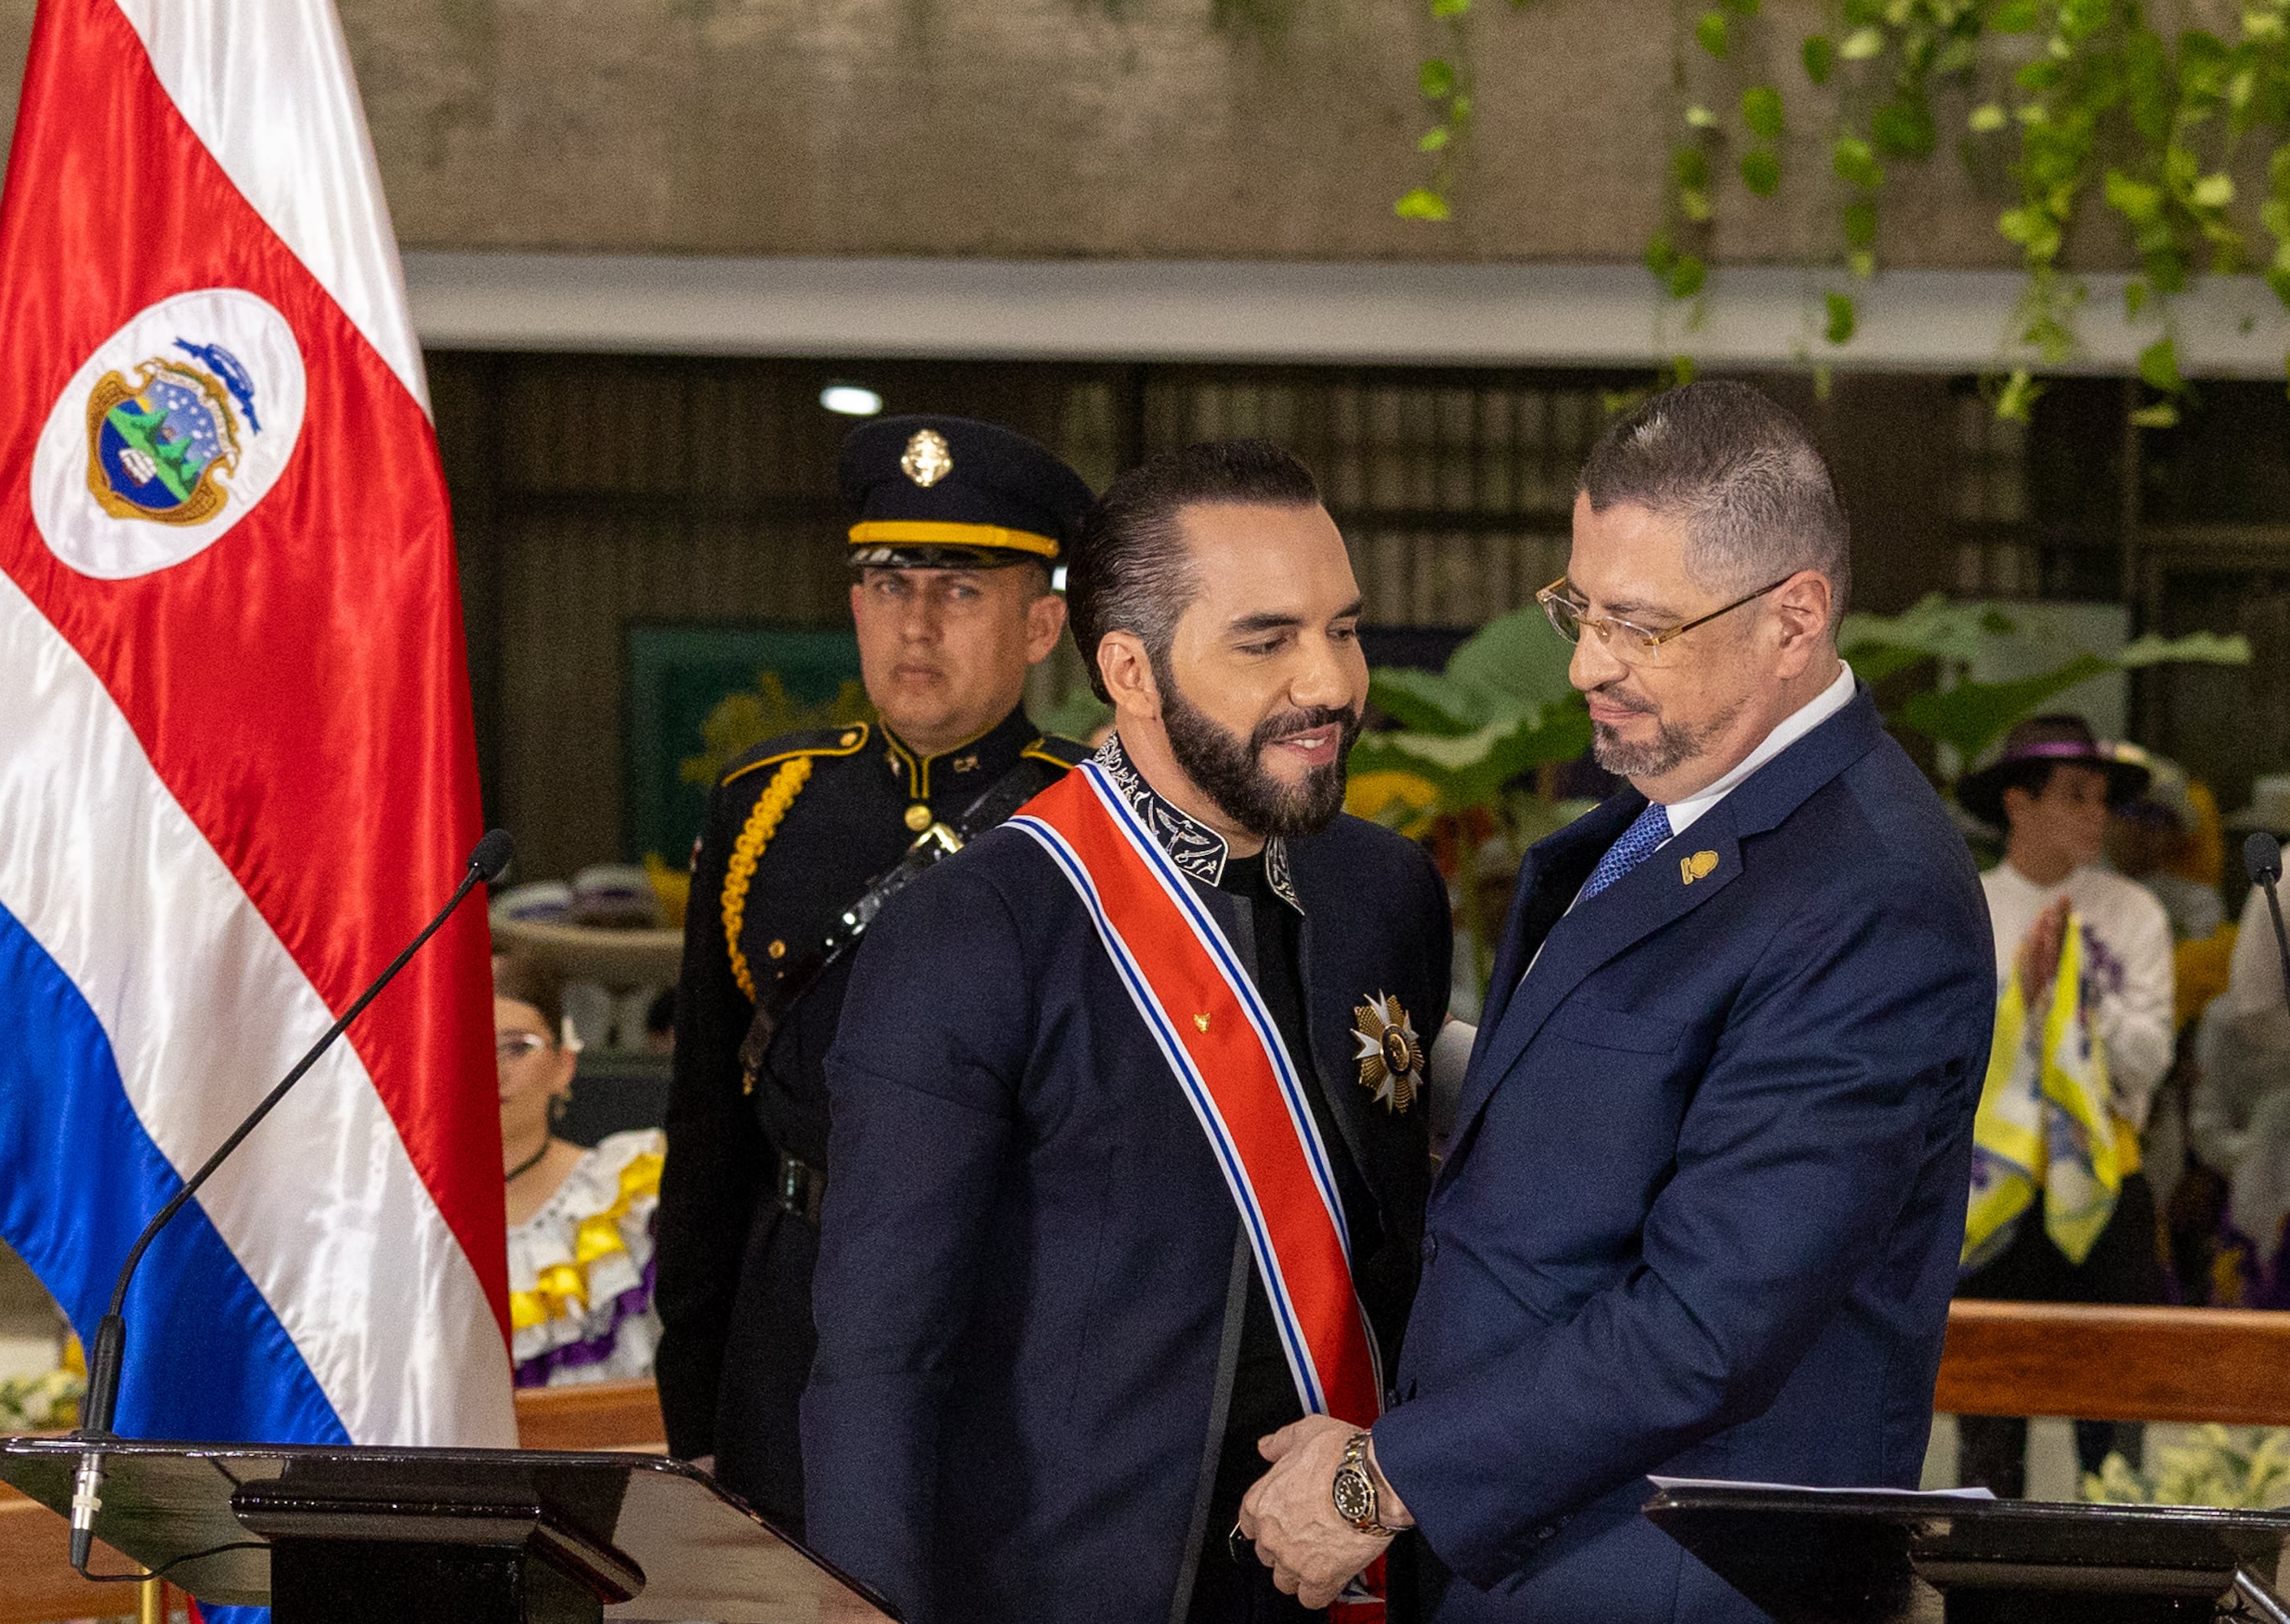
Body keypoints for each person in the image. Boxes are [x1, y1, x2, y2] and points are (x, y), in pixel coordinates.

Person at [1241, 381, 1998, 1621]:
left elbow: (1709, 1321)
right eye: (1581, 611)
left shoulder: (1871, 893)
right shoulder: (1674, 813)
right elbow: (1603, 1110)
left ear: (1794, 618)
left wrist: (1383, 1480)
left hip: (1664, 1581)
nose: (1591, 662)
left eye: (1641, 626)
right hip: (1531, 1552)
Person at [802, 440, 1449, 1623]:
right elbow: (879, 1363)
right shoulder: (979, 926)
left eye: (1343, 629)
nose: (1332, 682)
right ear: (1130, 671)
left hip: (1366, 1563)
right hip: (1077, 1585)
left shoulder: (1387, 891)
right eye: (1267, 640)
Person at [652, 415, 1095, 1531]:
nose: (918, 622)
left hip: (1017, 1310)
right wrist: (693, 1402)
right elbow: (710, 1122)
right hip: (792, 1316)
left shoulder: (1098, 819)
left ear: (1043, 624)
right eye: (889, 584)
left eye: (962, 589)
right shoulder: (769, 806)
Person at [1948, 715, 2173, 1494]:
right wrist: (2024, 997)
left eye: (2101, 798)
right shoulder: (1967, 907)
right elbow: (1944, 1058)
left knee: (2113, 1423)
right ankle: (1980, 1591)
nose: (2095, 814)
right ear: (2018, 803)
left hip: (2108, 1180)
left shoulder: (2134, 913)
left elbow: (2152, 1054)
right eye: (2074, 796)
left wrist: (2074, 1005)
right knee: (1988, 1423)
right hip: (1990, 1185)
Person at [498, 954, 664, 1389]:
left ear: (564, 1064)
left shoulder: (629, 1195)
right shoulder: (404, 1215)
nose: (493, 1070)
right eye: (466, 1044)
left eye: (517, 1046)